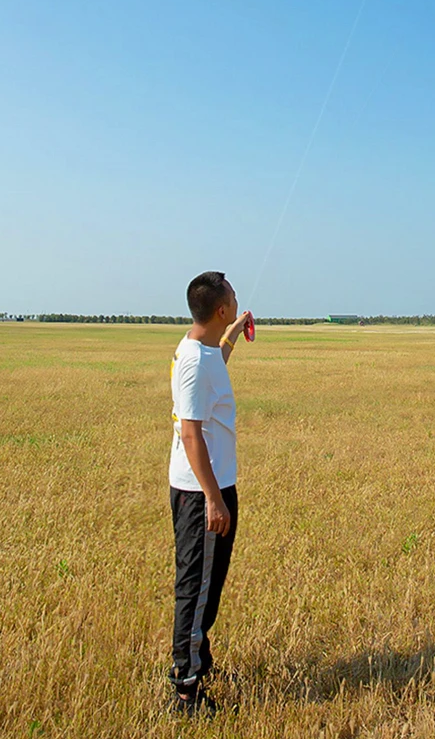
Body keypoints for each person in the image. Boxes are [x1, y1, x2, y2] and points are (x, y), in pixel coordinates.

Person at [168, 271, 251, 716]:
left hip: (211, 488)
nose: (238, 300)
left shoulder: (202, 350)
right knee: (196, 588)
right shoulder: (195, 362)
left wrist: (233, 337)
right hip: (203, 492)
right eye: (233, 299)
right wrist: (213, 499)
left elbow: (215, 365)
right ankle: (186, 690)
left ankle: (200, 662)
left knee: (208, 585)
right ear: (220, 308)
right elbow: (190, 433)